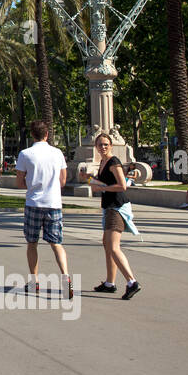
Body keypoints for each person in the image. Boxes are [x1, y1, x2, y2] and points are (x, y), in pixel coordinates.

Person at [14, 120, 74, 299]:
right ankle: (65, 277)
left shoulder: (25, 154)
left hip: (34, 203)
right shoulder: (57, 153)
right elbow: (63, 181)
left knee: (32, 243)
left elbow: (19, 182)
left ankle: (34, 281)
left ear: (32, 135)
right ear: (47, 134)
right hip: (54, 203)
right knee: (56, 243)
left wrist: (33, 186)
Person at [87, 133, 142, 300]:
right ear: (96, 146)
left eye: (105, 144)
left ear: (111, 145)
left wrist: (102, 188)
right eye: (100, 144)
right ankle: (110, 283)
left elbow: (122, 186)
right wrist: (91, 181)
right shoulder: (103, 162)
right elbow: (104, 183)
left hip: (116, 208)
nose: (103, 147)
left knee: (113, 247)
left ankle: (132, 282)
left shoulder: (114, 162)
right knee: (107, 244)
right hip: (109, 207)